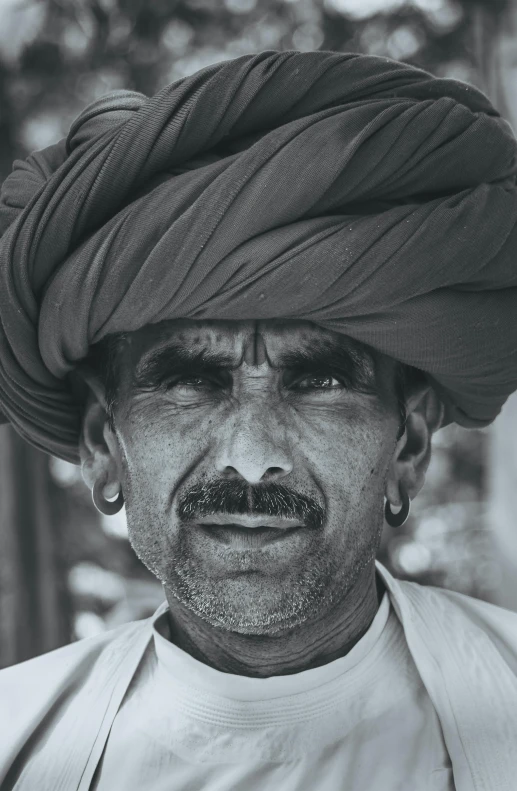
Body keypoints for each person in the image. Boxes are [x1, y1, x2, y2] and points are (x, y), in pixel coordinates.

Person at [0, 50, 516, 791]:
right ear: (102, 447)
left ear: (405, 444)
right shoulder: (15, 738)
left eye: (319, 382)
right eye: (188, 383)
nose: (250, 458)